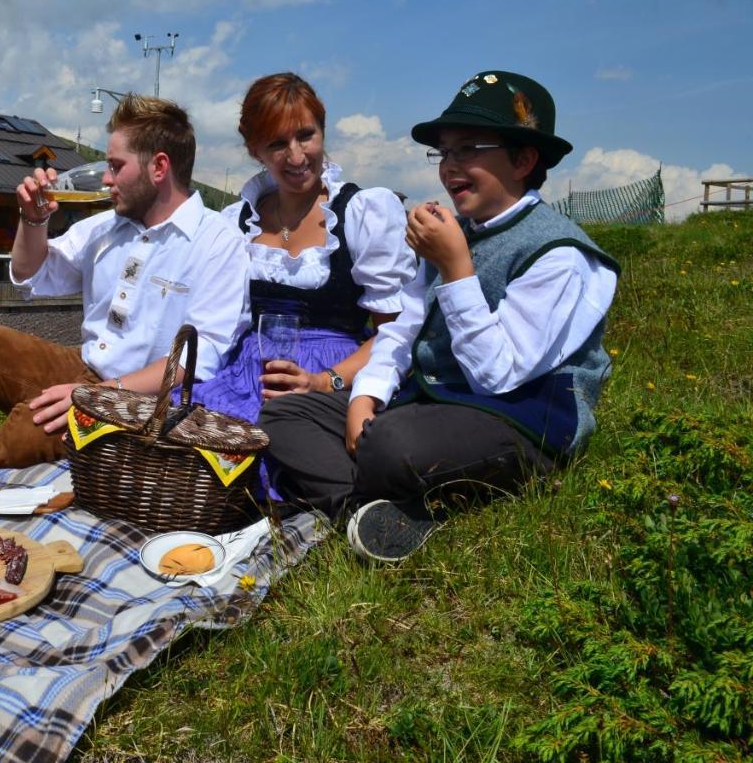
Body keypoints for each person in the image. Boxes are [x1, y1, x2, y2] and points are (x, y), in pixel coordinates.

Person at [259, 69, 619, 562]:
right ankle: (368, 515)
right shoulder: (452, 229)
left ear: (525, 158)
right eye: (445, 152)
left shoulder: (560, 255)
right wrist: (364, 395)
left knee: (390, 443)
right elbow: (402, 330)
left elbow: (498, 376)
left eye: (469, 149)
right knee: (285, 413)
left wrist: (456, 267)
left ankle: (369, 500)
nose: (450, 166)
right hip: (434, 400)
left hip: (524, 421)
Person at [0, 93, 251, 474]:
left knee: (22, 435)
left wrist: (93, 397)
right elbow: (31, 275)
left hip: (139, 400)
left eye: (116, 167)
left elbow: (197, 362)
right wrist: (32, 220)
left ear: (159, 167)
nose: (105, 178)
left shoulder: (218, 242)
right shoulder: (106, 227)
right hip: (81, 367)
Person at [186, 73, 415, 470]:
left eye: (305, 136)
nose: (295, 156)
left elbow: (393, 332)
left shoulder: (363, 212)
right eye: (277, 144)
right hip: (247, 371)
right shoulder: (234, 222)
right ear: (254, 149)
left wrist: (325, 381)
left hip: (335, 370)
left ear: (323, 132)